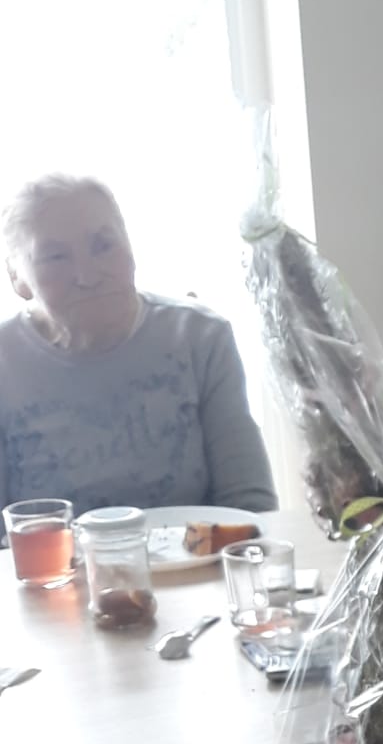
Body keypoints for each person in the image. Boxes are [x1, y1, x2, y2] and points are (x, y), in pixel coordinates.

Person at [0, 175, 277, 518]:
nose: (88, 276)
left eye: (104, 246)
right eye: (56, 257)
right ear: (16, 277)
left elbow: (250, 508)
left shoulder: (198, 337)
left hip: (198, 552)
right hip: (51, 556)